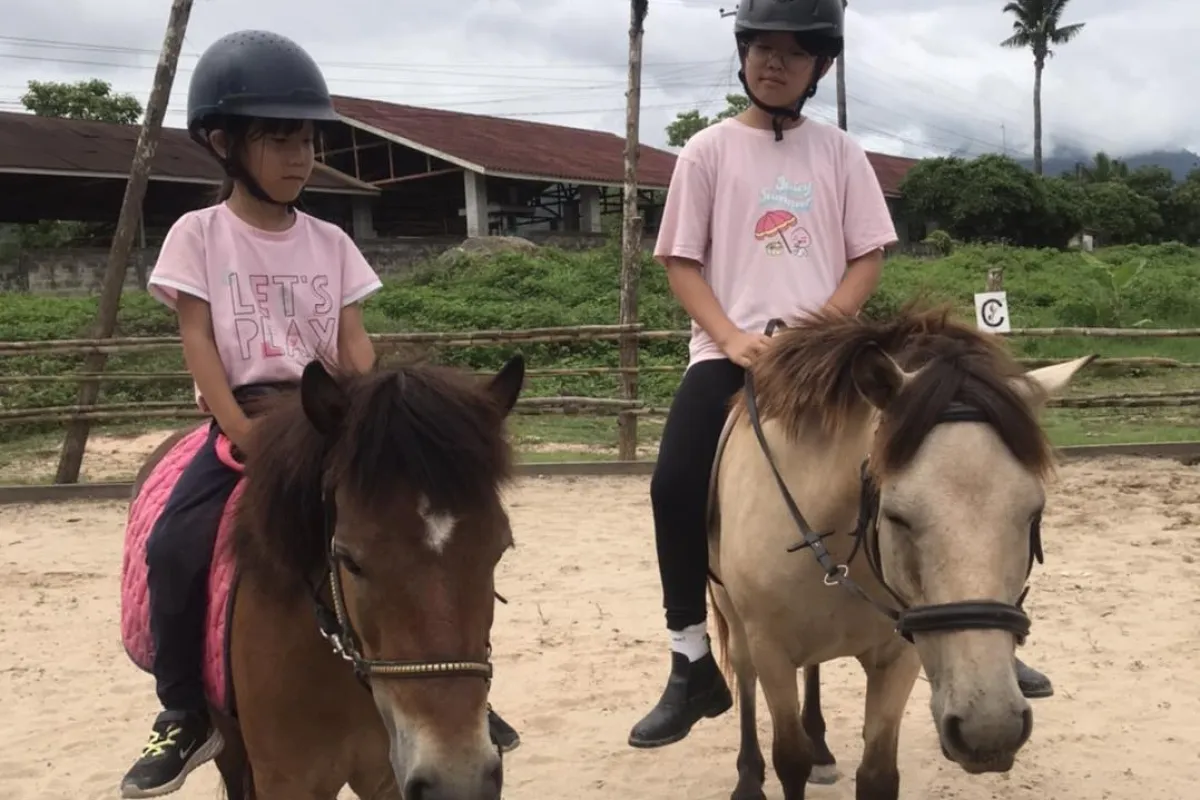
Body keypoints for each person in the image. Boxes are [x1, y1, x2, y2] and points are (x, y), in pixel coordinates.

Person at [627, 0, 1053, 750]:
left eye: (794, 52)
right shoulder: (706, 152)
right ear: (743, 51)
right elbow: (680, 263)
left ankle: (990, 638)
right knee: (673, 483)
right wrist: (729, 337)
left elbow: (867, 256)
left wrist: (824, 329)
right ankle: (689, 653)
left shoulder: (840, 154)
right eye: (762, 45)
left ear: (818, 68)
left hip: (833, 356)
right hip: (731, 354)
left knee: (963, 462)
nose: (774, 61)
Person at [119, 30, 518, 798]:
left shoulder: (331, 240)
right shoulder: (198, 235)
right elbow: (198, 336)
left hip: (334, 417)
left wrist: (376, 420)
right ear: (223, 143)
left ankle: (463, 697)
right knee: (176, 544)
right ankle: (183, 711)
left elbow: (353, 342)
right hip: (251, 417)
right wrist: (238, 430)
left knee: (423, 544)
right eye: (277, 138)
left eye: (305, 138)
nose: (299, 155)